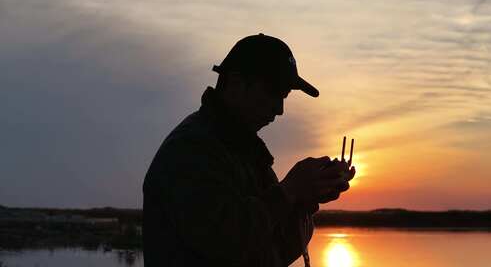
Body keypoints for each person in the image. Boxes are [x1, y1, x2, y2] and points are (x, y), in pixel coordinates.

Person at [142, 33, 356, 267]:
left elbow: (277, 252)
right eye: (273, 93)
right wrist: (290, 190)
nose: (279, 109)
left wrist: (304, 201)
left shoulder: (248, 154)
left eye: (284, 97)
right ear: (236, 84)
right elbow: (224, 241)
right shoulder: (189, 150)